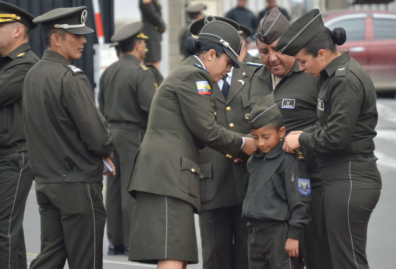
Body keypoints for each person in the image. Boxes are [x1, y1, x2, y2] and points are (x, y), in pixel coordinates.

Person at [127, 19, 257, 269]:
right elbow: (207, 130)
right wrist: (243, 144)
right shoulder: (193, 75)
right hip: (167, 178)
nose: (226, 70)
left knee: (177, 253)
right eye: (227, 63)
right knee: (172, 254)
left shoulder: (185, 72)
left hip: (170, 178)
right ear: (210, 54)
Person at [277, 9, 382, 269]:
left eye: (303, 61)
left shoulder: (344, 80)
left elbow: (336, 136)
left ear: (321, 54)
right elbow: (328, 124)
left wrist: (303, 139)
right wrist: (305, 133)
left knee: (349, 262)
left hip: (350, 178)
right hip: (340, 177)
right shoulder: (331, 75)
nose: (301, 68)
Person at [23, 7, 114, 269]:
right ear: (56, 39)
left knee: (50, 256)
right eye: (76, 35)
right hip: (77, 182)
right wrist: (106, 150)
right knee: (86, 260)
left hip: (46, 181)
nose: (84, 40)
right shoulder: (69, 77)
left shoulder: (32, 75)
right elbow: (97, 136)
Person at [249, 10, 323, 268]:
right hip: (264, 199)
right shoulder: (253, 79)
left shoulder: (312, 76)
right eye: (263, 51)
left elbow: (329, 126)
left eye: (277, 49)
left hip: (304, 185)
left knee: (311, 257)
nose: (271, 58)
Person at [189, 17, 257, 269]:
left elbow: (265, 119)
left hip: (247, 176)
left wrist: (251, 147)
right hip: (211, 178)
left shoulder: (253, 73)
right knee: (215, 254)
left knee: (246, 254)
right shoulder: (192, 78)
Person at [99, 21, 159, 257]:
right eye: (143, 43)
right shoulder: (139, 72)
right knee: (132, 190)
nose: (145, 47)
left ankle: (116, 241)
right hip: (133, 133)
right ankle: (136, 242)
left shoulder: (109, 72)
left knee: (113, 190)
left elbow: (101, 106)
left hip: (111, 133)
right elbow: (151, 106)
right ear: (137, 44)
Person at [242, 94, 311, 269]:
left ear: (281, 132)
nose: (260, 143)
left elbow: (300, 200)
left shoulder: (289, 160)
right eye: (255, 137)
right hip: (255, 230)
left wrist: (294, 235)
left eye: (266, 137)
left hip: (279, 232)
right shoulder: (255, 159)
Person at [0, 3, 37, 269]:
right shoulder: (7, 65)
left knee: (4, 230)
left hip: (16, 156)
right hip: (8, 155)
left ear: (17, 31)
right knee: (10, 227)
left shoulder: (25, 65)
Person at [139, 0, 166, 69]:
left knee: (155, 61)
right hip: (150, 33)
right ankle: (153, 79)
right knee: (152, 62)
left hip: (154, 33)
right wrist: (162, 25)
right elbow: (151, 13)